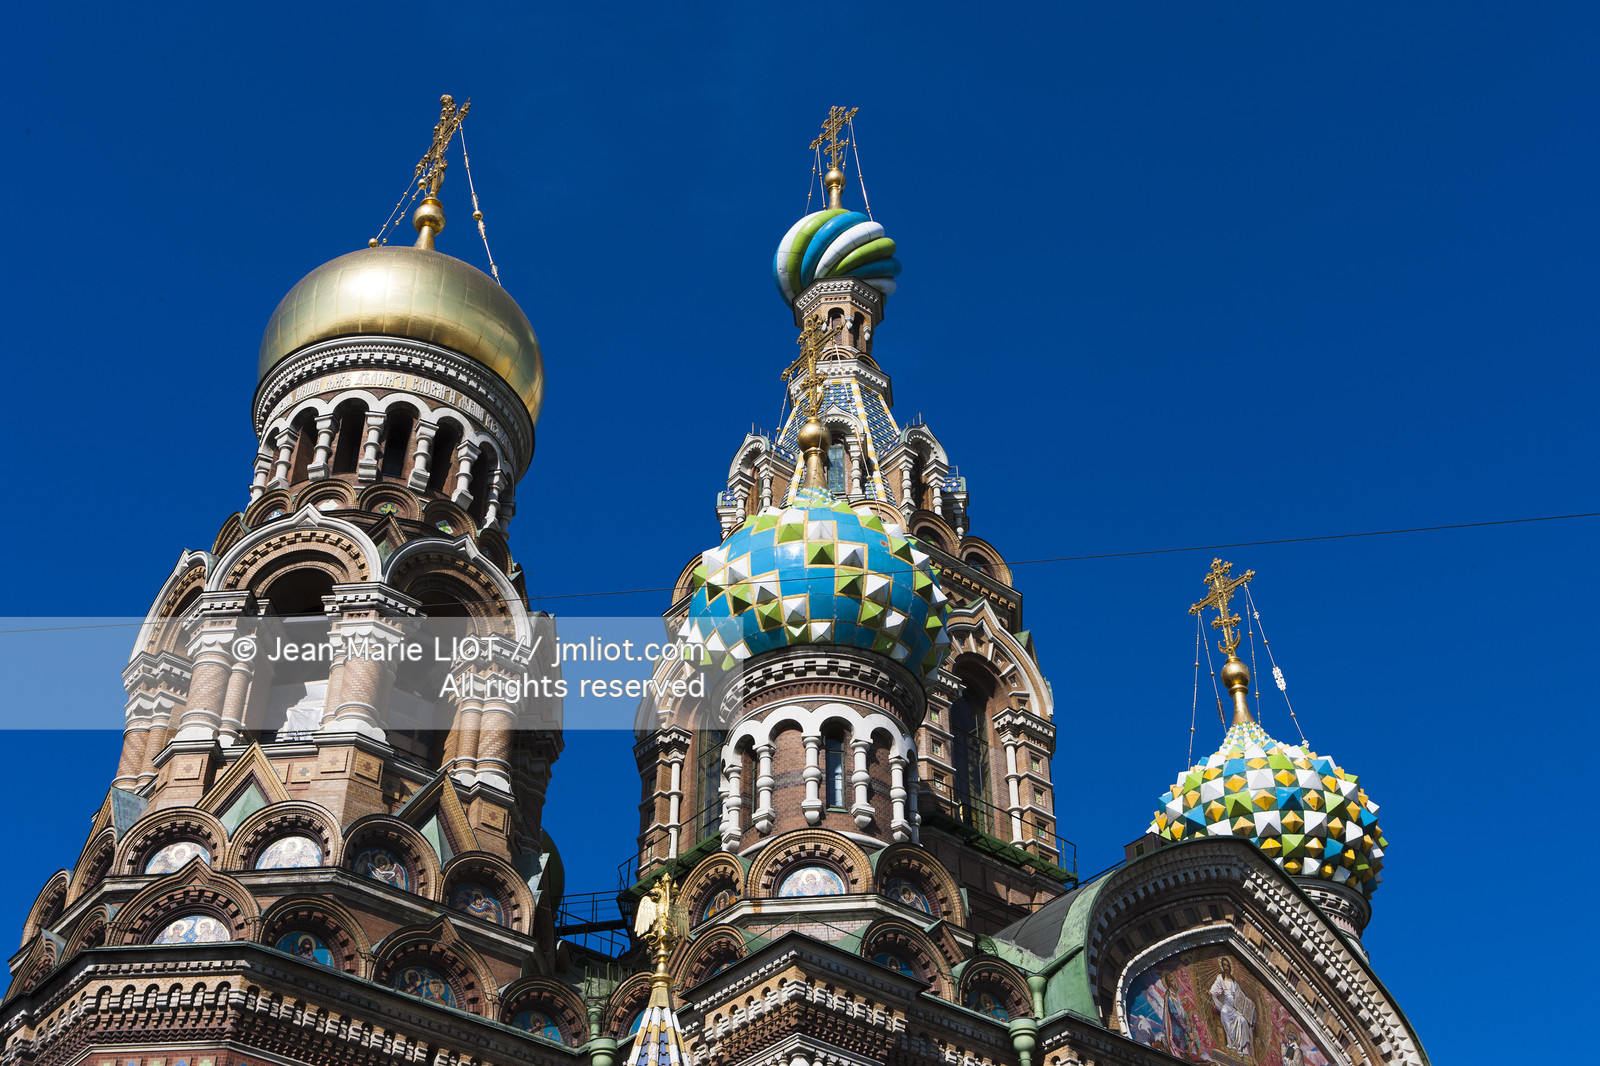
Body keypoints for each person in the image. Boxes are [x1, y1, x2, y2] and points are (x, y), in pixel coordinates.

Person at [1208, 957, 1257, 1057]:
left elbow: (1241, 996)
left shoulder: (1235, 983)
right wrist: (1210, 992)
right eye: (1224, 965)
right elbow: (1214, 990)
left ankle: (1243, 1049)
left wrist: (1249, 1002)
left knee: (1243, 1021)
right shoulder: (1220, 979)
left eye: (1228, 965)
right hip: (1227, 1008)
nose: (1226, 967)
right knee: (1225, 1014)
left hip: (1235, 1009)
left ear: (1230, 967)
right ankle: (1232, 1046)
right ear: (1222, 966)